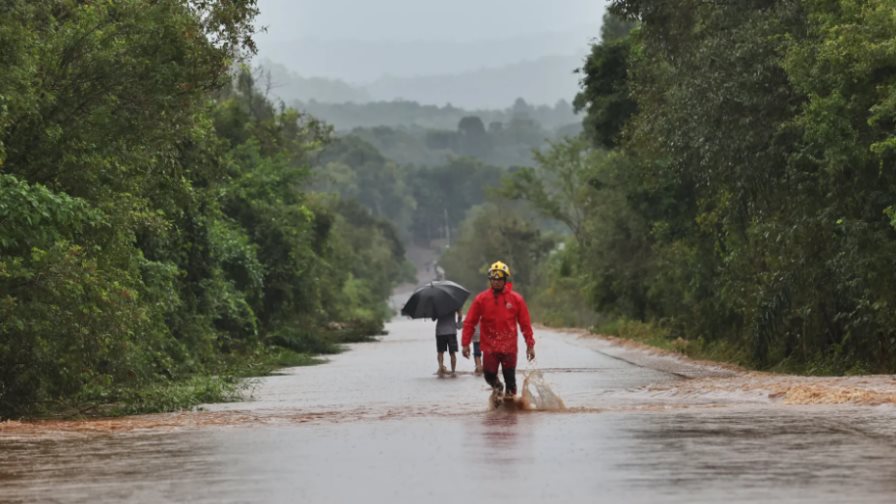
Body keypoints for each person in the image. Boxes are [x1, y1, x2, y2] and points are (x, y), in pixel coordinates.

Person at [461, 260, 535, 401]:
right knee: (488, 374)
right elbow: (470, 322)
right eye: (493, 279)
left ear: (505, 280)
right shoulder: (481, 300)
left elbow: (525, 324)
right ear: (490, 280)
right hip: (489, 347)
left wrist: (530, 345)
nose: (496, 282)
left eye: (499, 279)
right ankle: (498, 388)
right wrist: (465, 344)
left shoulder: (516, 299)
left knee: (510, 380)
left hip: (509, 348)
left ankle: (511, 411)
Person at [434, 309, 461, 376]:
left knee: (440, 352)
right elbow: (460, 315)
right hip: (451, 331)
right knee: (452, 353)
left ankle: (440, 368)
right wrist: (458, 322)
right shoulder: (454, 303)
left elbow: (433, 318)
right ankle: (453, 371)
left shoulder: (437, 304)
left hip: (440, 332)